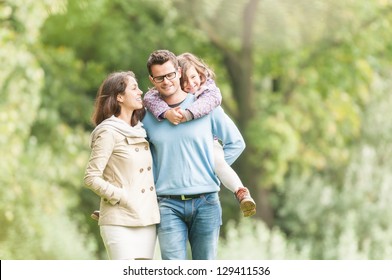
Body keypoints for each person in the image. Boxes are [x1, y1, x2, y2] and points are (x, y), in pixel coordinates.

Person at [142, 49, 245, 260]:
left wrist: (213, 169)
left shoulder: (205, 107)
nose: (166, 81)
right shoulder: (148, 116)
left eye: (170, 75)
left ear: (178, 72)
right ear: (152, 79)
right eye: (159, 77)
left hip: (206, 202)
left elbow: (236, 143)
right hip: (167, 204)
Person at [84, 71, 160, 260]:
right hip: (119, 220)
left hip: (146, 220)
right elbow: (91, 177)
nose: (140, 91)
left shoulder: (141, 130)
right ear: (119, 97)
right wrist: (120, 196)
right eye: (134, 88)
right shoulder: (108, 131)